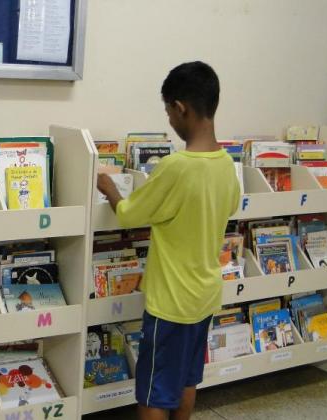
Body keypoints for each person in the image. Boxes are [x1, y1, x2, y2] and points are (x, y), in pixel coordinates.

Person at [97, 61, 240, 420]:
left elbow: (130, 213)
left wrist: (109, 188)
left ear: (181, 108)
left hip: (171, 302)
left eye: (168, 112)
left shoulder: (177, 167)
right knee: (186, 380)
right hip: (205, 295)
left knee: (153, 390)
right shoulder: (225, 163)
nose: (169, 121)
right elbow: (230, 205)